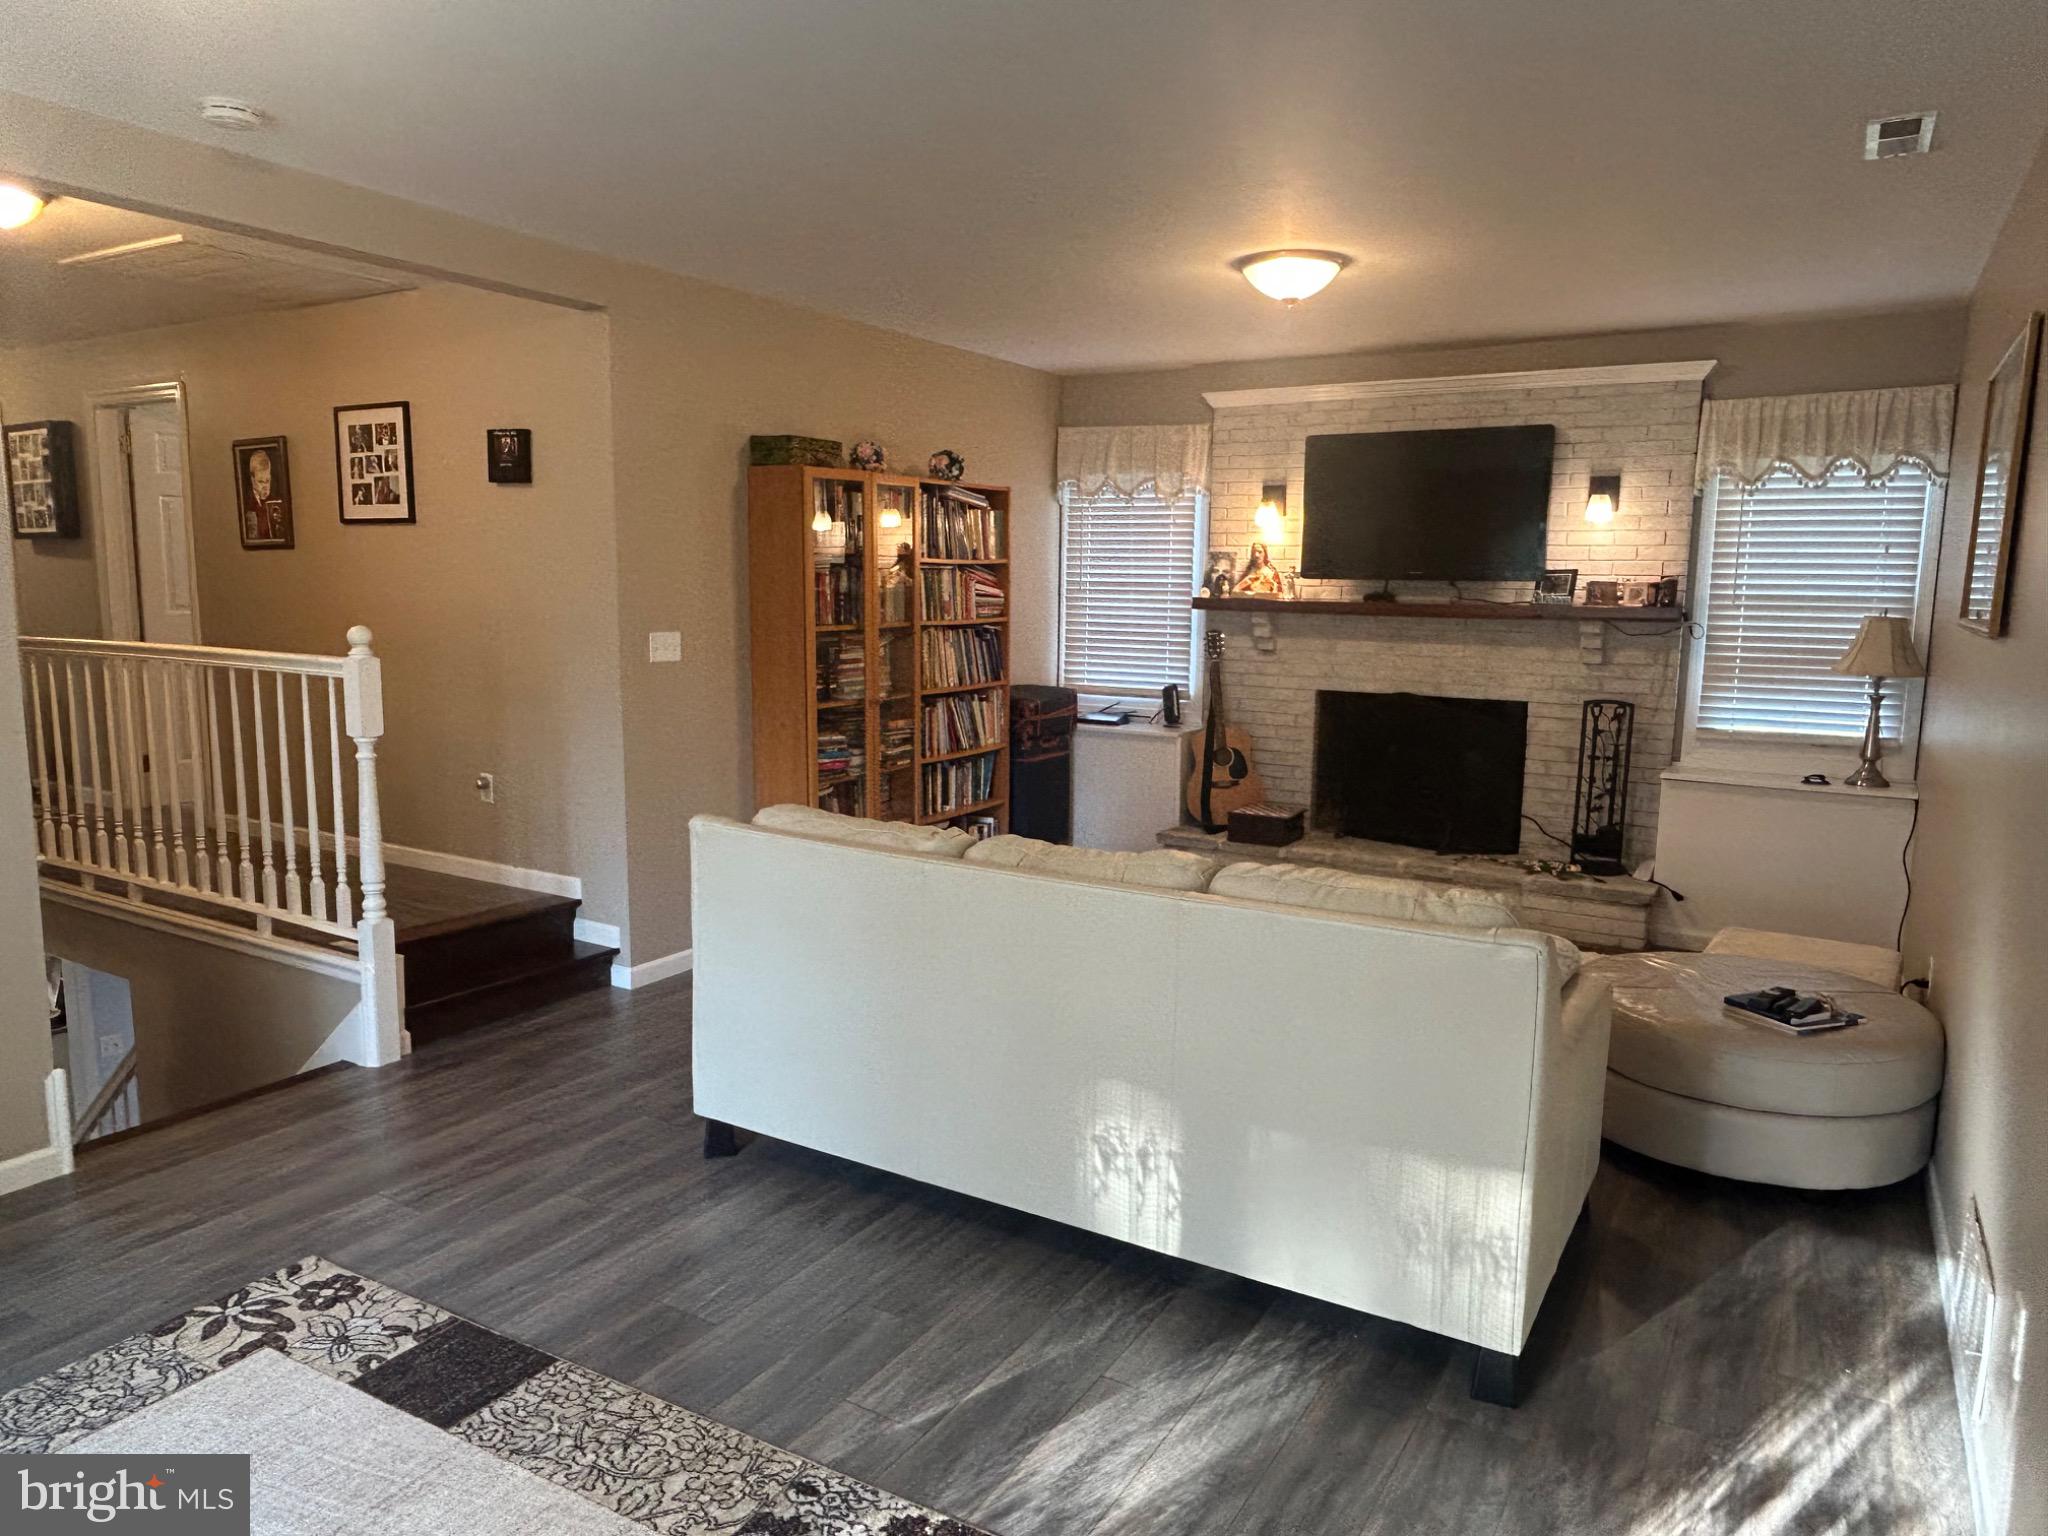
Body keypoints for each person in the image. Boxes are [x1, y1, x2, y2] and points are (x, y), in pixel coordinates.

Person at [241, 449, 284, 543]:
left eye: (267, 481)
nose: (265, 486)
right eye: (260, 481)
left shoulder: (276, 502)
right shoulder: (246, 503)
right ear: (252, 479)